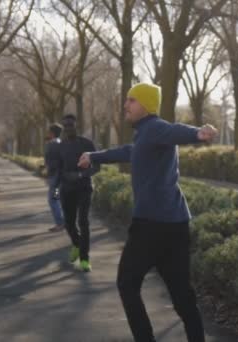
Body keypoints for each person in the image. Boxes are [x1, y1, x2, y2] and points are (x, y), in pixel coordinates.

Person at [78, 83, 217, 342]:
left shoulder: (154, 127)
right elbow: (128, 152)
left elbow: (175, 131)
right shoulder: (145, 135)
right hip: (174, 224)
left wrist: (198, 133)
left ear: (145, 104)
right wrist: (94, 156)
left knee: (127, 284)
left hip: (152, 225)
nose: (125, 105)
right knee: (181, 295)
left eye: (131, 100)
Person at [56, 114, 100, 272]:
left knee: (83, 221)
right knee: (68, 223)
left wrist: (81, 174)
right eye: (65, 125)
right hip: (66, 190)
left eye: (71, 125)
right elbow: (57, 169)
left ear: (76, 125)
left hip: (84, 188)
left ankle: (84, 259)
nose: (68, 128)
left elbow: (97, 166)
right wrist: (57, 184)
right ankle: (76, 243)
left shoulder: (87, 144)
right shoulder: (60, 147)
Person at [44, 123, 65, 232]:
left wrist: (48, 175)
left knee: (52, 199)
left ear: (51, 133)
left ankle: (60, 223)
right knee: (59, 198)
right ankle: (64, 222)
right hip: (62, 175)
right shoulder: (62, 143)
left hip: (55, 177)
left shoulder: (50, 144)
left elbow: (49, 162)